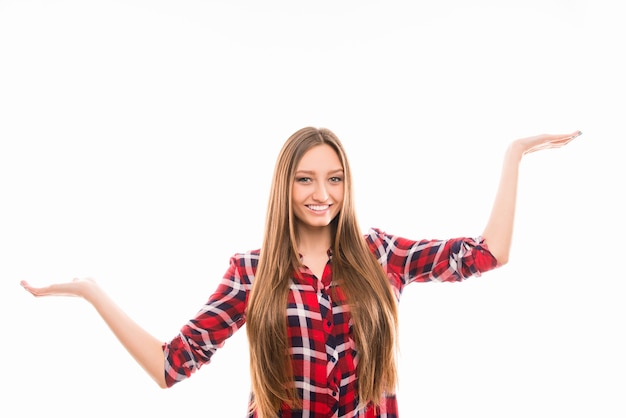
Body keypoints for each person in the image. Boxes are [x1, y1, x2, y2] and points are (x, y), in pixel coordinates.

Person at [20, 126, 582, 418]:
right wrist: (93, 293)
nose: (321, 194)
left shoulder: (380, 254)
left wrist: (512, 155)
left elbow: (486, 254)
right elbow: (171, 366)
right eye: (306, 179)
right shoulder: (252, 272)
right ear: (285, 186)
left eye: (334, 178)